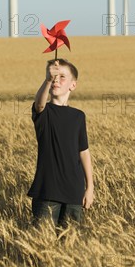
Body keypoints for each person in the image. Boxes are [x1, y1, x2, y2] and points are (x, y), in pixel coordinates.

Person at [28, 58, 94, 229]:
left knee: (71, 245)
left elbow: (84, 152)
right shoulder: (44, 112)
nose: (56, 79)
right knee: (42, 244)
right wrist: (48, 79)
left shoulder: (78, 116)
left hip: (74, 191)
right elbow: (39, 103)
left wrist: (90, 187)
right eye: (53, 76)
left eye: (62, 76)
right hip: (47, 190)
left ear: (73, 85)